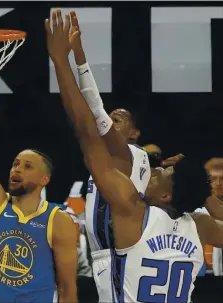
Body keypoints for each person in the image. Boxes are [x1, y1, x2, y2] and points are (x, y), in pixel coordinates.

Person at [46, 9, 223, 302]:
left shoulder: (132, 210)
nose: (154, 173)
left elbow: (87, 129)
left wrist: (60, 62)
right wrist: (203, 192)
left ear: (167, 196)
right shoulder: (200, 225)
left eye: (160, 176)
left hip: (112, 259)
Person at [0, 61, 78, 303]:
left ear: (44, 179)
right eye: (15, 164)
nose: (16, 169)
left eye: (27, 166)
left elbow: (68, 288)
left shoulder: (58, 219)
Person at [67, 11, 150, 302]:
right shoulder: (114, 159)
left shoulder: (130, 154)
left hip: (120, 253)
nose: (111, 123)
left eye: (120, 121)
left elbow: (95, 107)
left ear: (134, 133)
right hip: (105, 255)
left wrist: (77, 57)